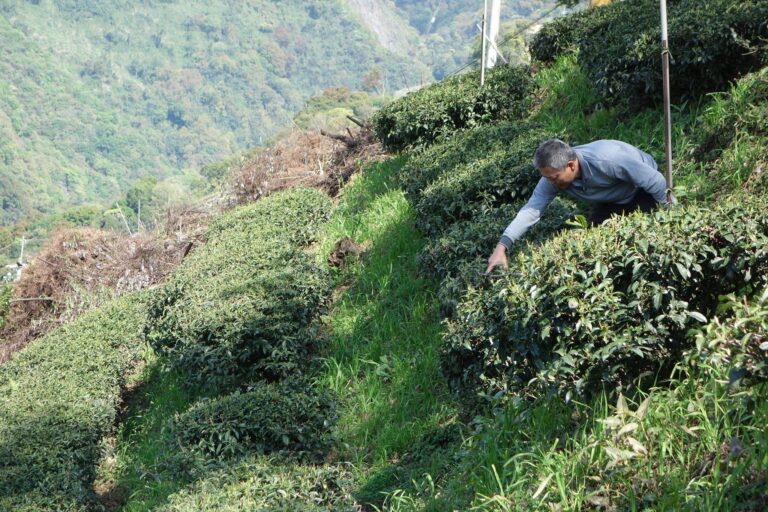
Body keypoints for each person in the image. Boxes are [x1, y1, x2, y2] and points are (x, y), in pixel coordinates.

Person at [486, 138, 670, 273]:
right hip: (609, 201)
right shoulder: (552, 177)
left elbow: (655, 181)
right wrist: (502, 246)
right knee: (594, 249)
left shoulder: (608, 160)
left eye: (554, 178)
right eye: (547, 178)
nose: (551, 183)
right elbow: (532, 209)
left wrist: (669, 212)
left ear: (571, 165)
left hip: (641, 190)